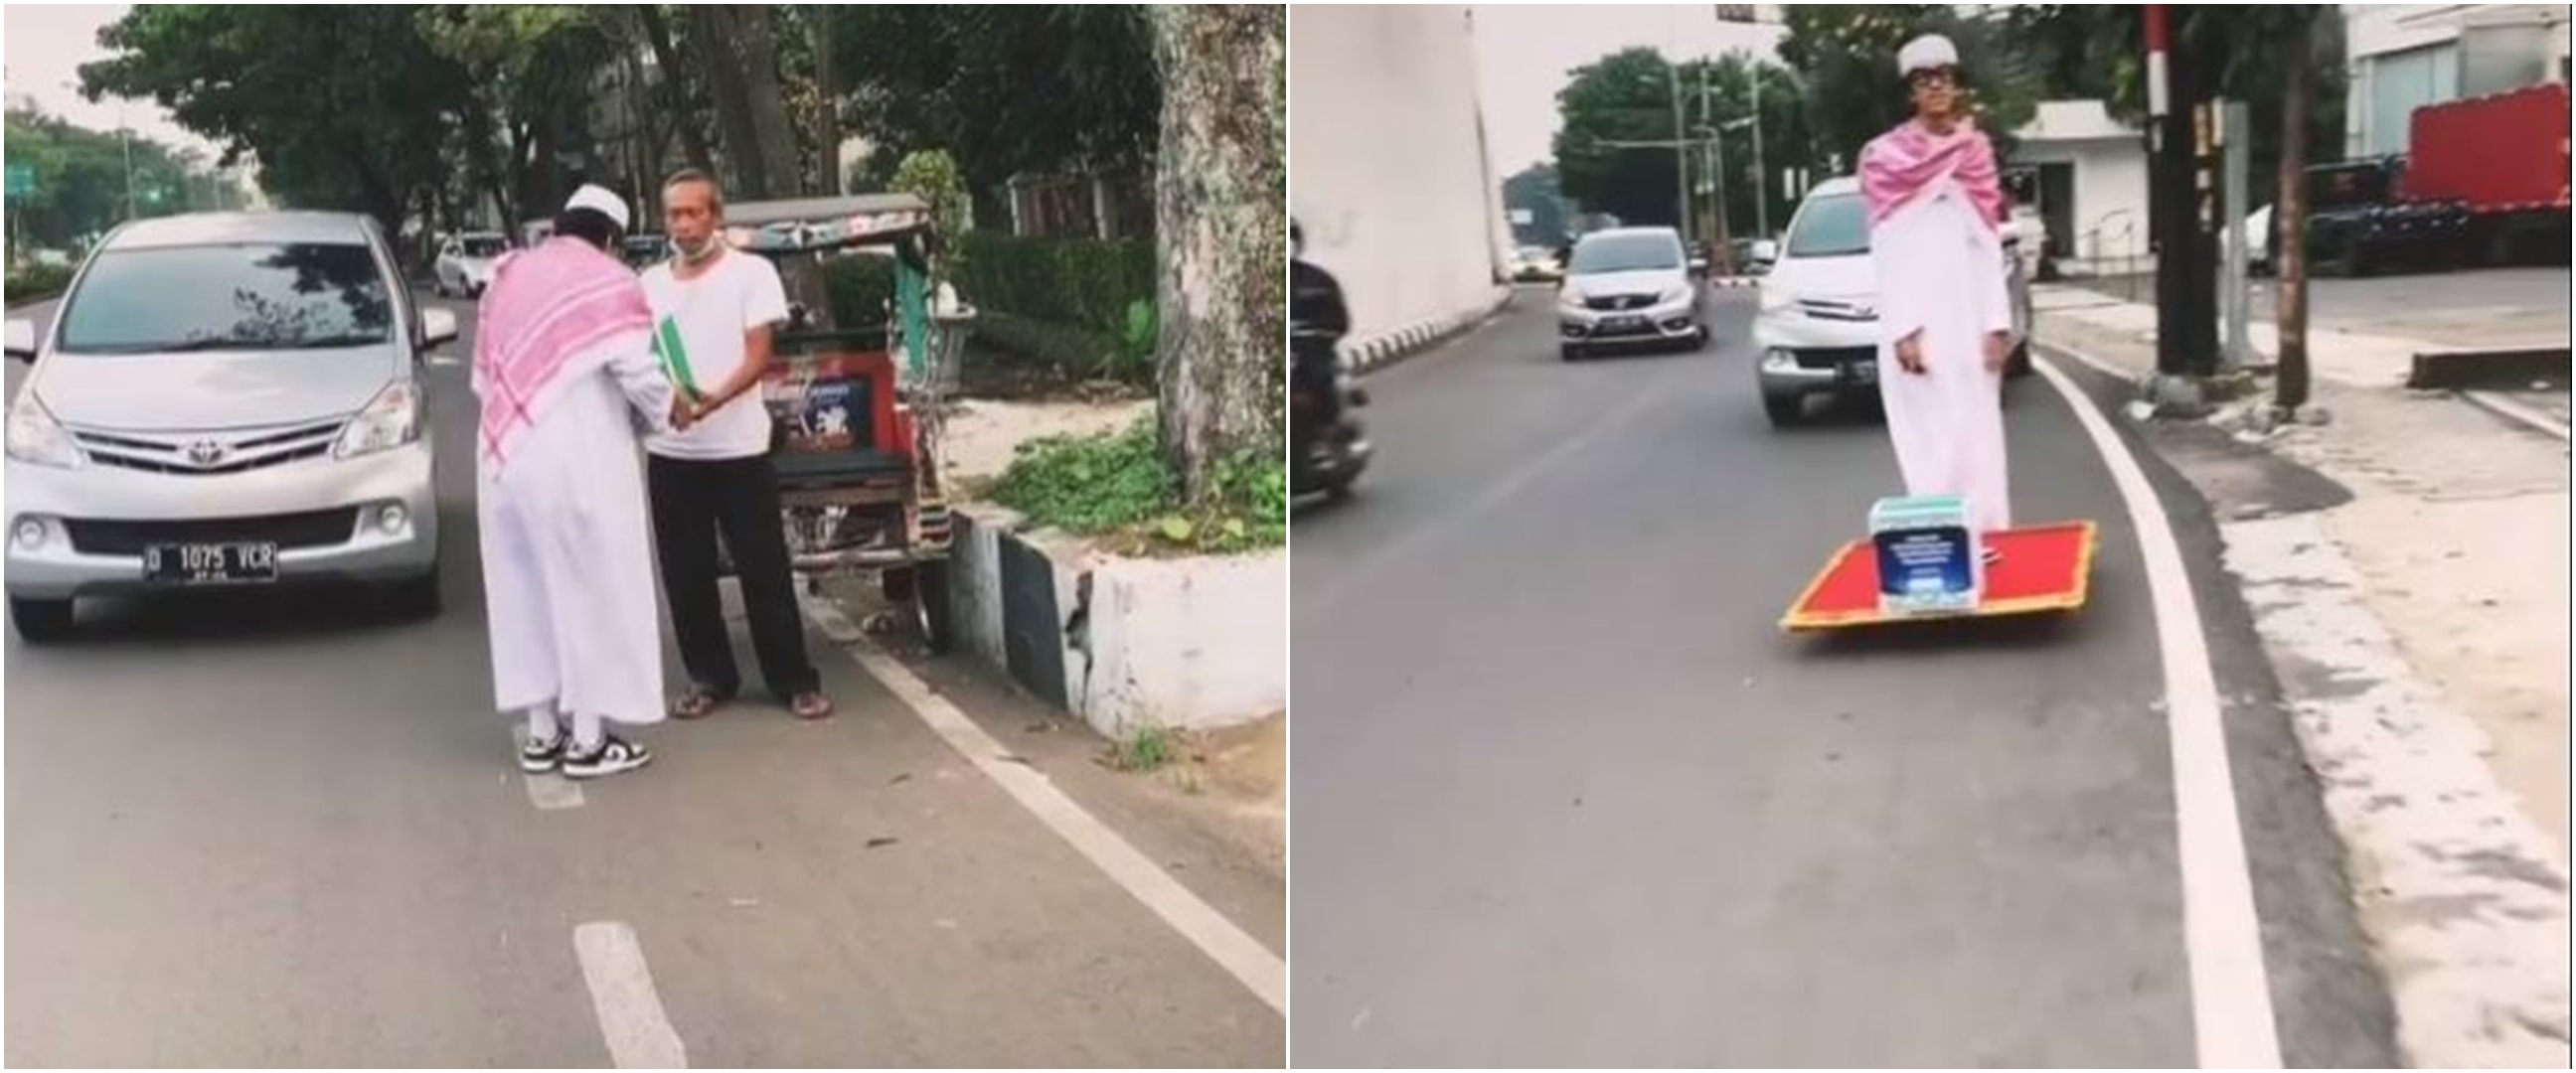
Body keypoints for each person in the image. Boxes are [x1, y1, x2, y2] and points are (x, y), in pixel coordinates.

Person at [473, 185, 689, 779]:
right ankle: (589, 742)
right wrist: (671, 405)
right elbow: (637, 370)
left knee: (525, 594)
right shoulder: (608, 280)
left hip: (503, 456)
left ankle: (542, 732)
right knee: (591, 591)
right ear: (612, 238)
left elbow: (483, 376)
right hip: (577, 457)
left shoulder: (507, 275)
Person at [643, 168, 835, 721]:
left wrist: (713, 401)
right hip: (672, 453)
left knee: (763, 567)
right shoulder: (648, 284)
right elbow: (641, 358)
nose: (683, 224)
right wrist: (666, 399)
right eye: (674, 214)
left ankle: (793, 680)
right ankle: (709, 677)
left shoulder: (751, 274)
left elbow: (759, 356)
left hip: (739, 451)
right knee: (686, 573)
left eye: (693, 212)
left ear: (716, 215)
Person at [1861, 34, 2018, 565]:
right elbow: (1887, 252)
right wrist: (1902, 328)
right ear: (1911, 91)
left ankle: (1986, 535)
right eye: (1924, 80)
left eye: (1944, 78)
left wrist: (1997, 322)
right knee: (1930, 433)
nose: (1936, 88)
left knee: (1978, 427)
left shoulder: (1975, 152)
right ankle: (1943, 540)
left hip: (1969, 316)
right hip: (1920, 321)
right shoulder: (1886, 159)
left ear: (1957, 86)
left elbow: (1988, 243)